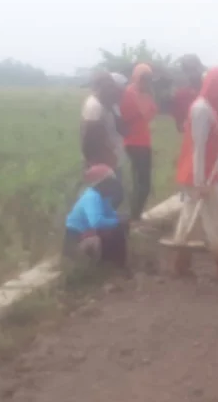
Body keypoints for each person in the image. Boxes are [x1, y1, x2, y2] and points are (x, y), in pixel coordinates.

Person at [171, 66, 218, 281]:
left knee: (188, 218)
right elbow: (198, 146)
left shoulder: (206, 107)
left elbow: (209, 136)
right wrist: (201, 182)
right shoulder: (202, 109)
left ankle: (180, 263)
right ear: (217, 86)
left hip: (199, 173)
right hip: (201, 175)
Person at [64, 164, 129, 269]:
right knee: (115, 230)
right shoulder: (92, 197)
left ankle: (114, 265)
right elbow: (96, 222)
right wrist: (117, 221)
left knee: (119, 228)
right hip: (76, 240)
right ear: (102, 183)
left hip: (86, 235)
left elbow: (110, 214)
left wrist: (121, 218)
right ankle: (107, 266)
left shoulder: (104, 198)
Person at [80, 72, 126, 207]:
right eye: (107, 87)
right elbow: (88, 140)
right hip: (101, 162)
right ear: (98, 88)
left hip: (111, 159)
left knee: (113, 197)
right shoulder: (94, 106)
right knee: (103, 199)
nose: (111, 90)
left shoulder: (107, 104)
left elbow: (121, 128)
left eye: (112, 86)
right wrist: (95, 164)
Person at [120, 63, 158, 221]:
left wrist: (148, 96)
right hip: (134, 143)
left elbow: (150, 114)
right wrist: (146, 98)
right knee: (143, 184)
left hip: (143, 142)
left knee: (141, 183)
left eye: (149, 79)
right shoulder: (130, 93)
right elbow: (141, 113)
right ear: (136, 77)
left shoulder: (145, 93)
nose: (146, 82)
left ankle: (134, 216)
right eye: (143, 78)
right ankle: (133, 218)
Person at [171, 55, 205, 134]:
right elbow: (179, 126)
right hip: (191, 140)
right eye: (188, 70)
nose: (192, 74)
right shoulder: (180, 95)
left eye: (194, 70)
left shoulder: (210, 92)